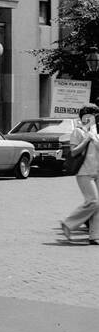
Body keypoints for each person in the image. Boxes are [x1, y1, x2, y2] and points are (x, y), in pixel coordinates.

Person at [60, 104, 99, 244]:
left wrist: (94, 137)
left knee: (97, 205)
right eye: (94, 115)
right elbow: (74, 152)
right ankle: (68, 223)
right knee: (93, 202)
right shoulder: (78, 132)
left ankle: (95, 236)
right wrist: (87, 139)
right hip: (84, 172)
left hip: (96, 171)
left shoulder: (95, 131)